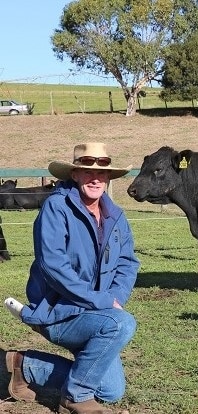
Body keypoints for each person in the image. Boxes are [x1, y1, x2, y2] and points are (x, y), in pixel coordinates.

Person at [5, 143, 139, 413]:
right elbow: (54, 267)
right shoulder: (57, 208)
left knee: (111, 391)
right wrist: (102, 301)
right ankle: (75, 397)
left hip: (95, 313)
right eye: (87, 171)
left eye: (102, 173)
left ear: (109, 178)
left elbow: (128, 262)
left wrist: (116, 297)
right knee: (120, 324)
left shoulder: (116, 216)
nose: (95, 179)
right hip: (59, 311)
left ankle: (25, 366)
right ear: (74, 174)